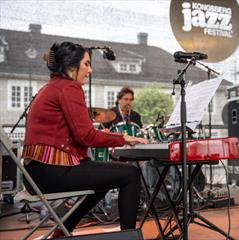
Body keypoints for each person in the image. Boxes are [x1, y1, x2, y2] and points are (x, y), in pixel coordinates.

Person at [21, 42, 147, 238]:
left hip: (36, 172)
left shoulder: (53, 86)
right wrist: (122, 138)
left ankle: (62, 233)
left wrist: (117, 138)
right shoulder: (68, 88)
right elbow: (86, 136)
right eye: (87, 64)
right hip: (50, 171)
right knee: (130, 174)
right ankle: (128, 236)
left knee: (102, 181)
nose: (90, 70)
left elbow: (79, 134)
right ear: (72, 65)